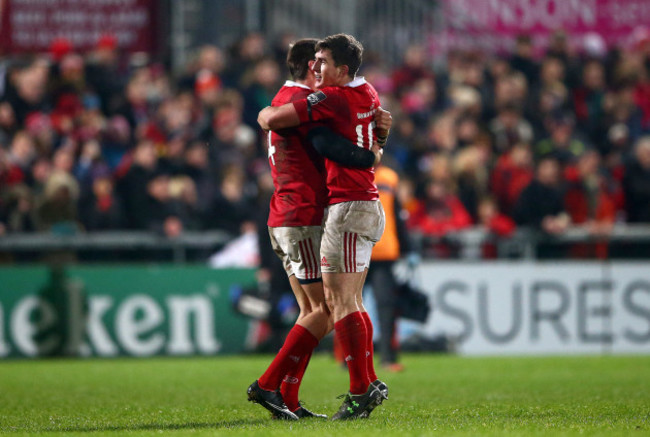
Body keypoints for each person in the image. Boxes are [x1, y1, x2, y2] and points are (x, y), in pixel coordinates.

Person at [247, 38, 387, 421]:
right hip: (304, 216)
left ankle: (286, 398)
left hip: (288, 215)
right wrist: (374, 151)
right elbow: (324, 140)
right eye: (319, 63)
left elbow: (276, 119)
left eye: (327, 62)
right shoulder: (313, 102)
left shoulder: (292, 96)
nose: (322, 69)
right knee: (326, 308)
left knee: (318, 308)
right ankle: (273, 385)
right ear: (312, 67)